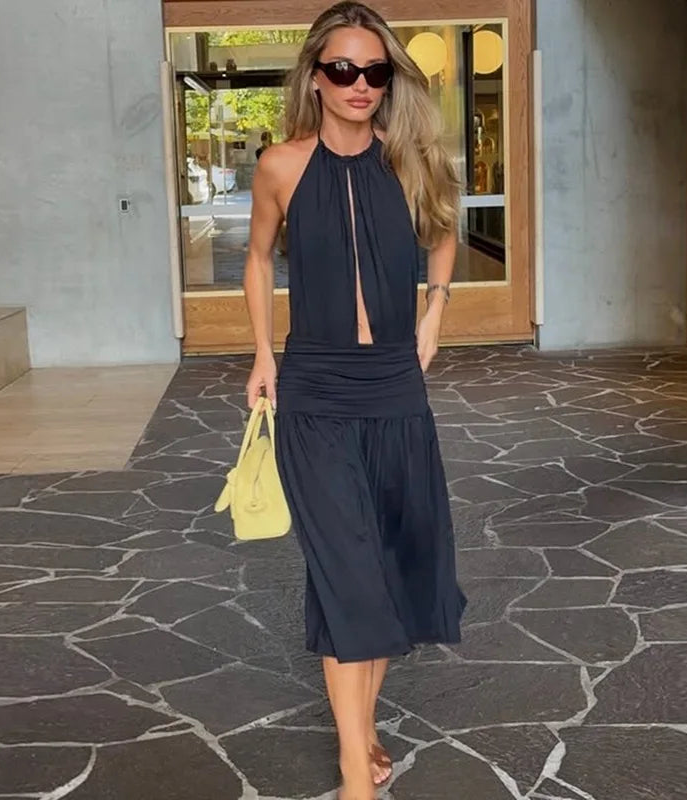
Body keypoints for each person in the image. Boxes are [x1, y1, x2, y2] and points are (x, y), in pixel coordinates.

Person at [243, 3, 465, 798]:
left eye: (375, 70)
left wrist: (436, 306)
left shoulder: (412, 162)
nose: (360, 84)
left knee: (385, 570)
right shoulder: (281, 165)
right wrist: (265, 355)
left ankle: (363, 731)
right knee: (347, 572)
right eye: (343, 69)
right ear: (316, 75)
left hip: (397, 389)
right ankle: (354, 770)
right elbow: (259, 258)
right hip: (316, 389)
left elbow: (444, 230)